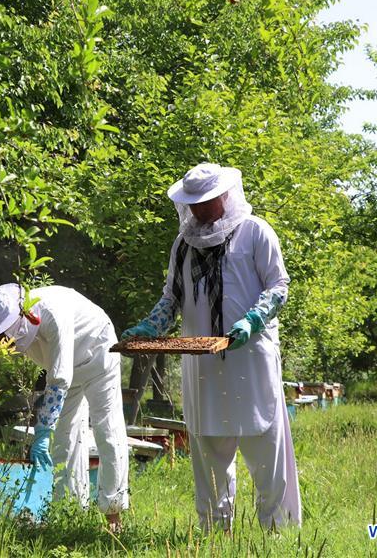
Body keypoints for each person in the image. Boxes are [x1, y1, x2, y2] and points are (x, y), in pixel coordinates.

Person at [122, 163, 301, 531]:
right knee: (209, 453)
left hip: (250, 360)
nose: (199, 209)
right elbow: (172, 297)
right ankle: (216, 536)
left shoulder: (255, 232)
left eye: (205, 201)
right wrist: (149, 327)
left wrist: (252, 320)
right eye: (193, 203)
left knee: (265, 448)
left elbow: (278, 287)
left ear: (225, 195)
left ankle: (278, 533)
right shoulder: (183, 244)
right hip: (201, 366)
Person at [0, 284, 129, 530]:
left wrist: (41, 431)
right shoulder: (1, 328)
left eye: (1, 337)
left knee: (107, 431)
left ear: (16, 321)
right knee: (64, 440)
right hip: (61, 373)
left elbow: (59, 380)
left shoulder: (51, 313)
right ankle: (69, 513)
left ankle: (113, 516)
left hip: (97, 354)